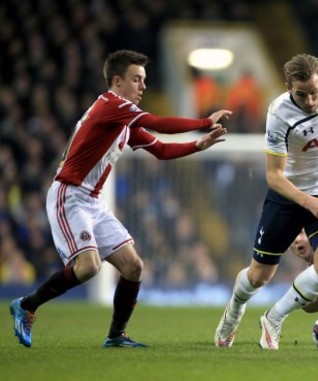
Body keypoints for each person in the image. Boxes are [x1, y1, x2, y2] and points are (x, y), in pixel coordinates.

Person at [10, 49, 232, 348]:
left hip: (92, 201)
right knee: (88, 267)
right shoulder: (111, 105)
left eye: (144, 80)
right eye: (136, 80)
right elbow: (158, 122)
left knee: (133, 266)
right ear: (117, 81)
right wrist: (205, 122)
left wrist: (198, 145)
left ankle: (116, 335)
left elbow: (162, 150)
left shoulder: (124, 121)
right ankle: (27, 305)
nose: (142, 87)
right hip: (69, 195)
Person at [214, 54, 318, 350]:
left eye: (314, 92)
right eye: (300, 94)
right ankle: (234, 311)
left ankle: (274, 318)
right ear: (288, 87)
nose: (309, 100)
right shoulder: (279, 113)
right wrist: (308, 202)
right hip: (289, 195)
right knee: (259, 276)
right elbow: (274, 176)